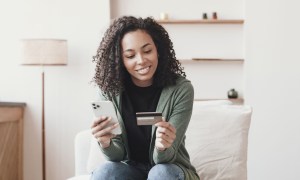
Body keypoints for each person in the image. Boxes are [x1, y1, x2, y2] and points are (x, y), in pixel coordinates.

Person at [90, 16, 199, 180]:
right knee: (105, 172)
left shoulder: (181, 89)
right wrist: (106, 143)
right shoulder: (109, 90)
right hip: (130, 169)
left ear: (158, 50)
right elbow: (116, 156)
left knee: (160, 173)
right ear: (120, 60)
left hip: (170, 169)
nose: (141, 61)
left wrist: (163, 146)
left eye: (147, 51)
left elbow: (165, 159)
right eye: (130, 55)